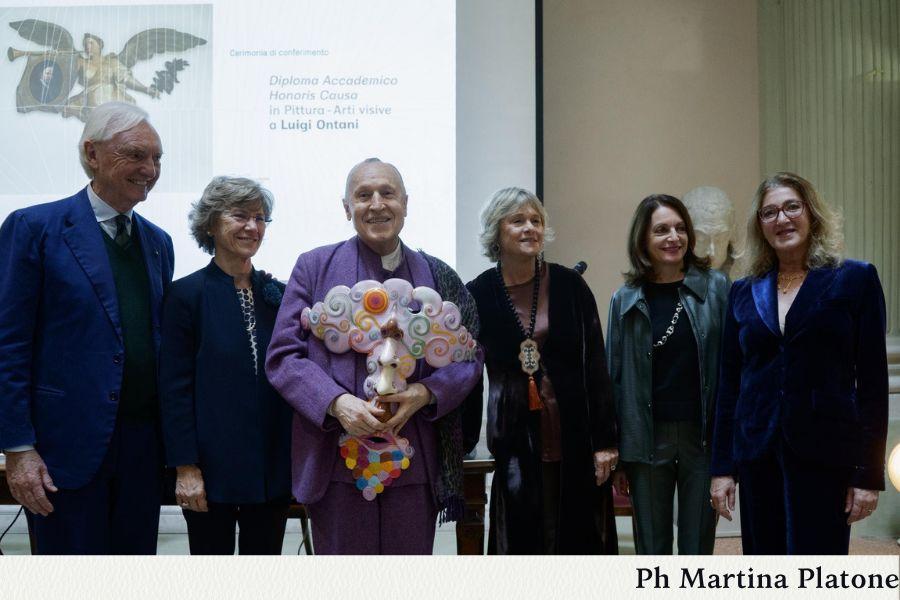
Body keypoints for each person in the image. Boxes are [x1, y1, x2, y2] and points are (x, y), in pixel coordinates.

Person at [265, 158, 484, 554]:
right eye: (363, 195)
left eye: (388, 193)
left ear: (406, 203)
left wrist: (426, 394)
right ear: (347, 207)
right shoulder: (313, 267)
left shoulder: (438, 275)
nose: (377, 204)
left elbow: (468, 356)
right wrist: (337, 403)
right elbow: (283, 356)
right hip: (336, 456)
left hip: (413, 457)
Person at [0, 101, 173, 554]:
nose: (150, 169)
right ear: (92, 153)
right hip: (63, 450)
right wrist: (17, 448)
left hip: (141, 452)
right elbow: (8, 343)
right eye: (136, 154)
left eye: (156, 158)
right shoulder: (34, 228)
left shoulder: (158, 243)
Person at [710, 172, 888, 554]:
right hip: (758, 452)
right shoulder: (743, 291)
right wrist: (722, 469)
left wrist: (867, 474)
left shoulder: (855, 279)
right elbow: (730, 385)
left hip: (826, 453)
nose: (782, 219)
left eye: (792, 207)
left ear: (812, 213)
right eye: (769, 212)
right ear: (760, 226)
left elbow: (872, 385)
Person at [466, 187, 618, 554]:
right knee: (523, 540)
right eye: (517, 220)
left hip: (576, 436)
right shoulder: (477, 293)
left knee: (580, 539)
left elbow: (596, 364)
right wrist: (466, 448)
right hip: (515, 438)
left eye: (536, 220)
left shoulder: (570, 285)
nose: (530, 228)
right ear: (495, 231)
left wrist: (606, 441)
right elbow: (468, 377)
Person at [159, 176, 292, 554]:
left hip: (271, 469)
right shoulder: (185, 295)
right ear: (211, 224)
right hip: (208, 472)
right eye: (240, 216)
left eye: (260, 217)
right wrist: (185, 468)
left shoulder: (278, 295)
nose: (252, 226)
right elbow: (175, 390)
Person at [606, 194, 730, 555]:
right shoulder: (625, 298)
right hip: (645, 440)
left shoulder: (717, 288)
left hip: (702, 439)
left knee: (697, 546)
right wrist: (619, 451)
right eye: (661, 230)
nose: (673, 237)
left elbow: (731, 370)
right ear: (643, 239)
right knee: (652, 547)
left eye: (680, 229)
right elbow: (613, 378)